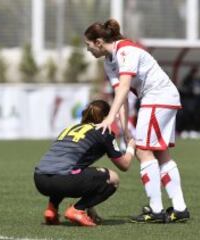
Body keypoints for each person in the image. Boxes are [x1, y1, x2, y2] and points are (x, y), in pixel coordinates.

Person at [84, 19, 190, 223]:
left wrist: (108, 118)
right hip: (161, 98)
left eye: (88, 45)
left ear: (98, 42)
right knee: (161, 153)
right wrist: (124, 129)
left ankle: (156, 211)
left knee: (142, 151)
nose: (88, 50)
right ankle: (179, 208)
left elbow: (124, 89)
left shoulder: (125, 51)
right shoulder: (109, 61)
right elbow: (120, 95)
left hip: (157, 97)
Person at [34, 100, 135, 227]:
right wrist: (131, 147)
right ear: (106, 117)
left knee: (66, 170)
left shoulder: (70, 128)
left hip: (40, 179)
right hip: (63, 180)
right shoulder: (104, 132)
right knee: (113, 178)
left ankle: (51, 210)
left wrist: (91, 207)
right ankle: (77, 210)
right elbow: (124, 165)